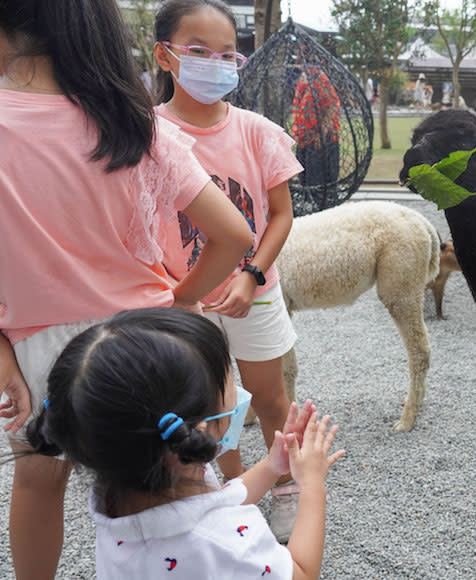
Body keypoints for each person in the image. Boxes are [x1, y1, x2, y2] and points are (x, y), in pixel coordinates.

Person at [0, 1, 253, 577]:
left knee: (38, 483)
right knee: (175, 483)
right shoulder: (131, 121)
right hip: (151, 341)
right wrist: (184, 300)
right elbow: (235, 235)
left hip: (40, 351)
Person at [23, 308, 343, 579]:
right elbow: (301, 571)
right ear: (198, 428)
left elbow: (217, 500)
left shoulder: (120, 495)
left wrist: (272, 467)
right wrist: (313, 487)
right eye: (229, 382)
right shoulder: (224, 541)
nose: (237, 390)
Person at [152, 0, 305, 542]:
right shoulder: (145, 133)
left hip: (253, 290)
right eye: (197, 52)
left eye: (226, 55)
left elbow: (282, 214)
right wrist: (174, 294)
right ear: (164, 56)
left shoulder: (257, 131)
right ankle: (235, 490)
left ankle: (287, 483)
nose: (213, 64)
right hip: (179, 298)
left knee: (268, 396)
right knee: (214, 404)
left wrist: (253, 275)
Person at [290, 65, 341, 189]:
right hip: (304, 139)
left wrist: (321, 133)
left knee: (319, 185)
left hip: (321, 141)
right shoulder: (304, 78)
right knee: (305, 181)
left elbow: (333, 105)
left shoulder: (320, 79)